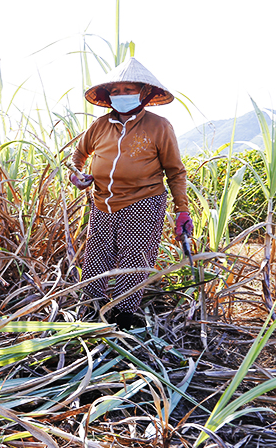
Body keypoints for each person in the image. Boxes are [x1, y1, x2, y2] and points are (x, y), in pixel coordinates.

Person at [69, 57, 193, 329]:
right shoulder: (100, 126)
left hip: (143, 202)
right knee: (96, 257)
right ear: (108, 95)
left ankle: (124, 317)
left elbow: (175, 171)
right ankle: (92, 312)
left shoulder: (159, 126)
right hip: (102, 201)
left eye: (128, 90)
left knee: (135, 258)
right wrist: (76, 174)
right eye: (116, 91)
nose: (121, 95)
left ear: (144, 93)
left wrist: (182, 210)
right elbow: (78, 155)